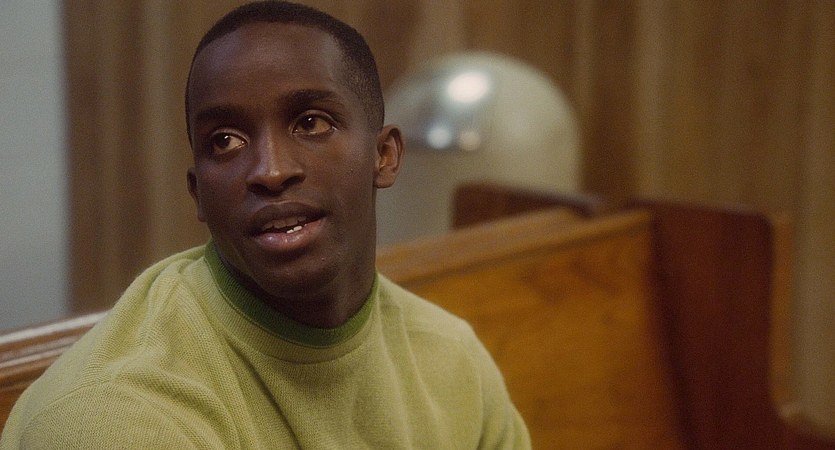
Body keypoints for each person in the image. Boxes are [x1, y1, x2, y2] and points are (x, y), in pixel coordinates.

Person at [0, 2, 530, 448]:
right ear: (198, 193)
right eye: (226, 141)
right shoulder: (113, 415)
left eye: (311, 123)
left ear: (384, 156)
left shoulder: (451, 358)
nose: (271, 171)